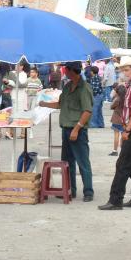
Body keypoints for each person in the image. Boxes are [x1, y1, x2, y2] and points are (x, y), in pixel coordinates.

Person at [39, 61, 94, 202]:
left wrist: (76, 129)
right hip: (66, 129)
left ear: (72, 71)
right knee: (67, 163)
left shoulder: (84, 88)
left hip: (78, 130)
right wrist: (43, 103)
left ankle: (88, 191)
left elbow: (87, 111)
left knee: (83, 162)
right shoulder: (68, 86)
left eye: (66, 70)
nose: (64, 72)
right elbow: (60, 104)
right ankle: (70, 190)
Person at [99, 56, 131, 211]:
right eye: (123, 70)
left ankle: (115, 200)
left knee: (123, 165)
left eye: (127, 69)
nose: (124, 72)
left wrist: (127, 130)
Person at [109, 82, 126, 156]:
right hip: (124, 119)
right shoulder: (127, 99)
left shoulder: (117, 99)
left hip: (116, 119)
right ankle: (123, 150)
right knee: (123, 135)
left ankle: (115, 150)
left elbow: (111, 107)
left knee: (116, 135)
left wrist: (115, 96)